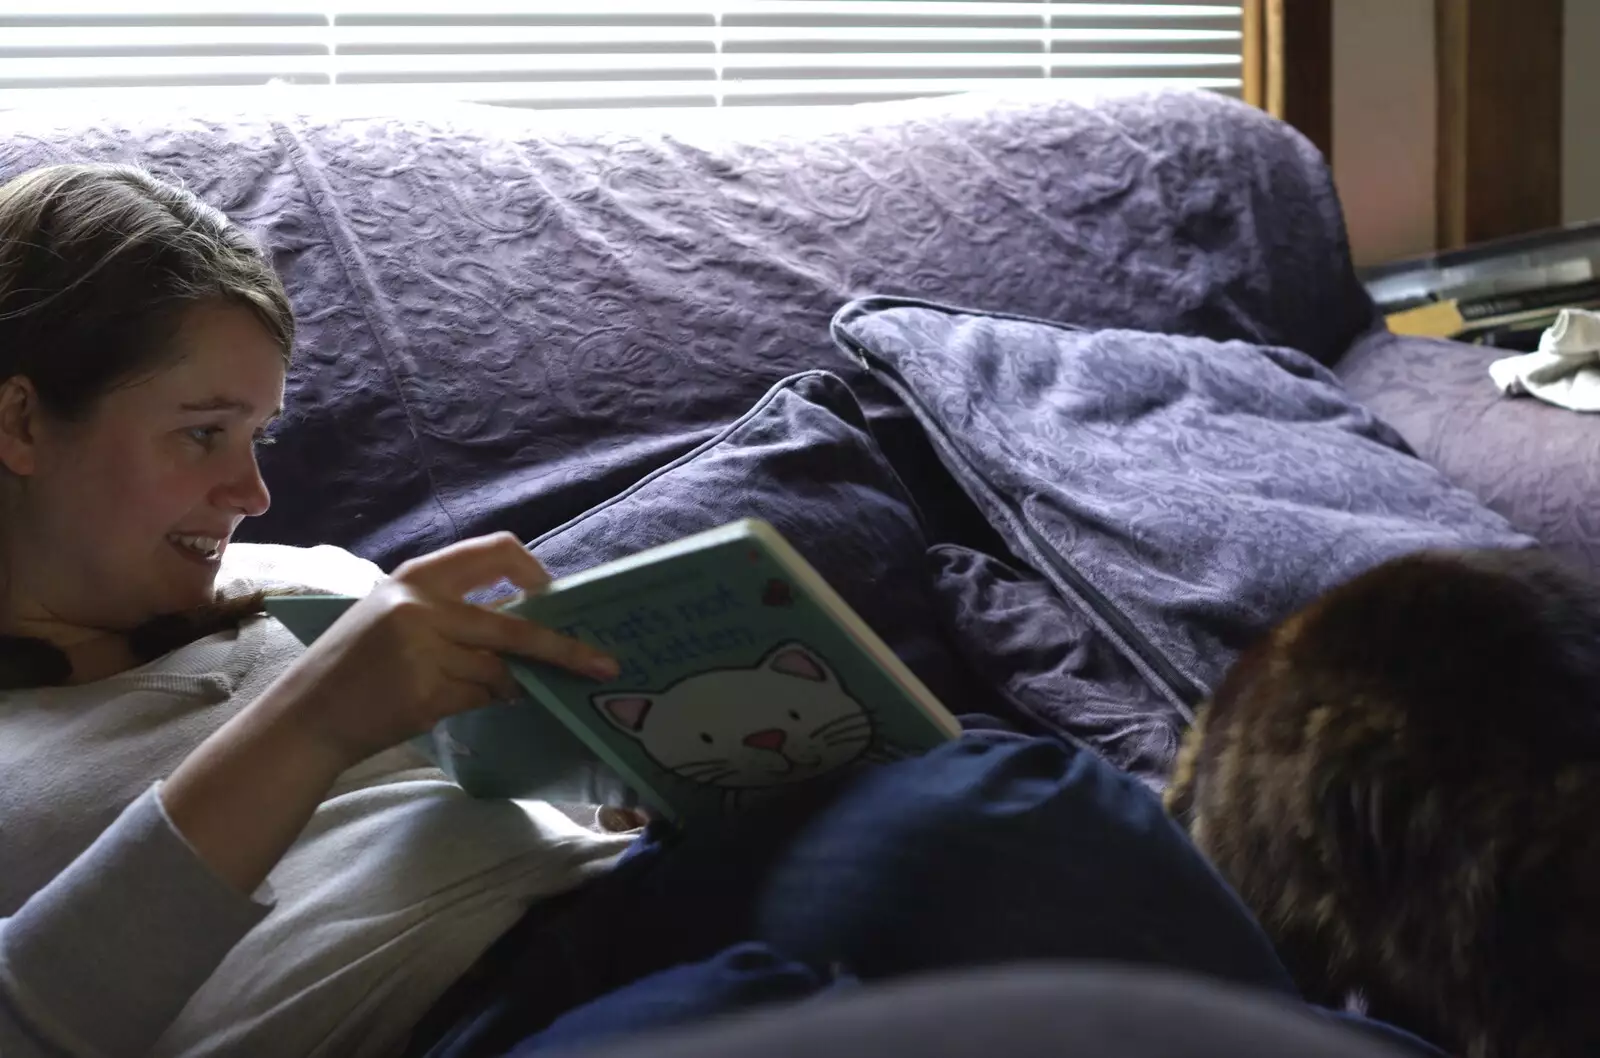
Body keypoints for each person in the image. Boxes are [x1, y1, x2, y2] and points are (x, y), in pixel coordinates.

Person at [0, 163, 1441, 1058]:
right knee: (753, 1018)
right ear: (21, 420)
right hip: (431, 1027)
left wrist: (616, 724)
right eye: (201, 434)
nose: (252, 489)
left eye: (261, 435)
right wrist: (317, 719)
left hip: (624, 897)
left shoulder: (307, 583)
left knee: (990, 801)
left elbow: (539, 783)